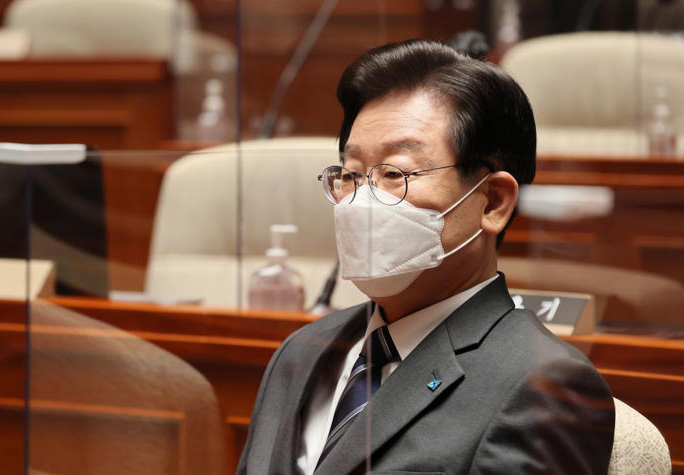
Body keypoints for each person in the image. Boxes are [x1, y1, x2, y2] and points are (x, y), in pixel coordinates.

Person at [238, 39, 615, 474]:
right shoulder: (302, 351)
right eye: (352, 174)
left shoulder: (543, 384)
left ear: (493, 202)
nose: (362, 200)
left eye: (394, 173)